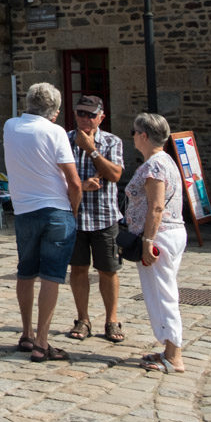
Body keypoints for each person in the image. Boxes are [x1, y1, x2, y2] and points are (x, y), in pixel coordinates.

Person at [1, 83, 83, 364]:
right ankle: (42, 342)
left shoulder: (10, 126)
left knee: (25, 272)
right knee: (51, 275)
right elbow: (73, 181)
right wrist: (73, 210)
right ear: (54, 112)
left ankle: (26, 333)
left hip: (24, 210)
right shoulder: (55, 132)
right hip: (56, 209)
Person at [127, 111, 187, 373]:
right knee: (161, 290)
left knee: (163, 293)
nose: (132, 138)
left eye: (134, 133)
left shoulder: (154, 165)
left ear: (143, 135)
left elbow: (156, 206)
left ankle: (174, 355)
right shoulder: (166, 161)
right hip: (169, 233)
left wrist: (147, 240)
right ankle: (168, 349)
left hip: (160, 234)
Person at [65, 94, 126, 343]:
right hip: (75, 217)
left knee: (108, 270)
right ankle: (83, 318)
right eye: (80, 113)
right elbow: (56, 179)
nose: (85, 119)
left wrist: (91, 150)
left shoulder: (112, 141)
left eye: (91, 114)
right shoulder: (65, 140)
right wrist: (82, 185)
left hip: (104, 217)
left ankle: (111, 320)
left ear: (101, 116)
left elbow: (115, 174)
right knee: (78, 269)